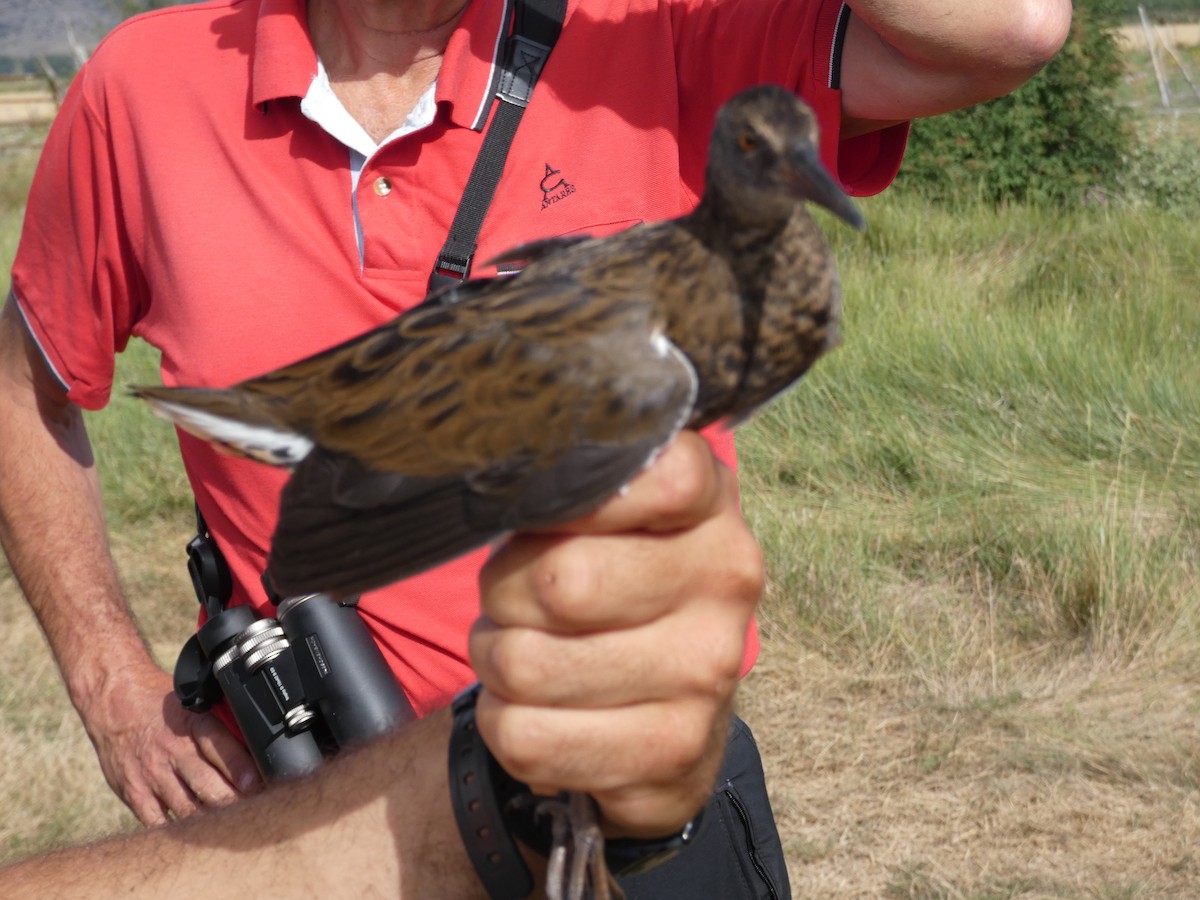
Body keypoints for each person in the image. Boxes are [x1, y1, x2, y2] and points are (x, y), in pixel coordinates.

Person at [0, 0, 1071, 894]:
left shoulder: (651, 34)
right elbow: (26, 385)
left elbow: (1006, 30)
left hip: (626, 802)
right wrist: (110, 685)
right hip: (308, 820)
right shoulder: (147, 86)